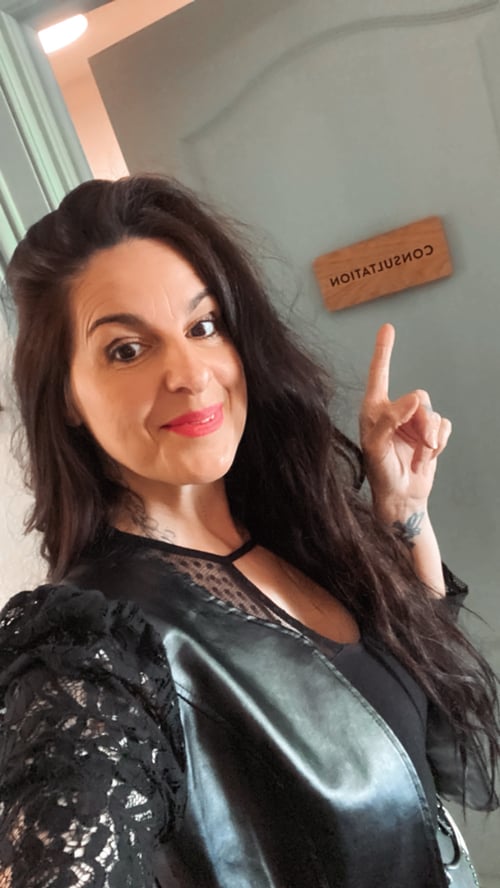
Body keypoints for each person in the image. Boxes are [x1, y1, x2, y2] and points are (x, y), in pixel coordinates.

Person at [0, 174, 498, 888]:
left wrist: (403, 516)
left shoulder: (303, 532)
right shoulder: (95, 647)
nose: (191, 373)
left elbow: (444, 748)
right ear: (67, 397)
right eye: (126, 350)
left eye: (203, 326)